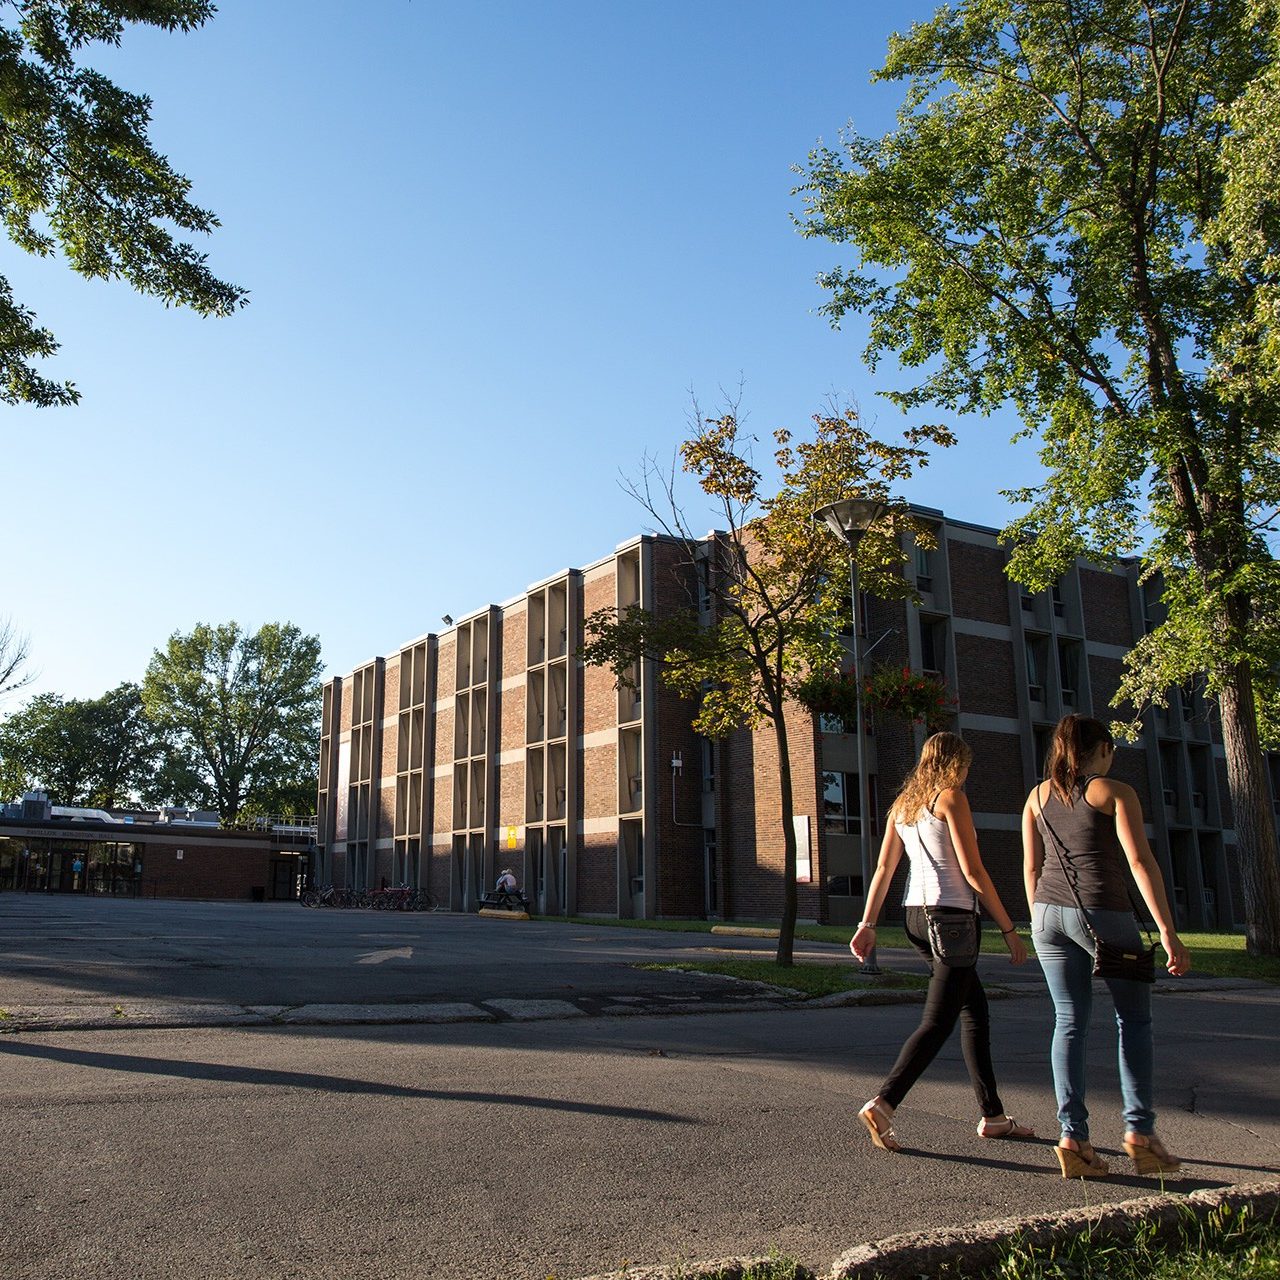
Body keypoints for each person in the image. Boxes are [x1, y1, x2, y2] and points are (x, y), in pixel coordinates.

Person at [1022, 714, 1190, 1179]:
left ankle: (1073, 1139)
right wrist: (1168, 931)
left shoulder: (1035, 798)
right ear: (1099, 750)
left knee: (1068, 1022)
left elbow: (1031, 870)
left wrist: (1038, 917)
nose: (1110, 758)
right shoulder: (1113, 792)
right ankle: (1140, 1135)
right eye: (1109, 751)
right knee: (1134, 1019)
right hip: (1103, 913)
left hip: (1046, 917)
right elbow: (1139, 860)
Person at [851, 731, 1032, 1153]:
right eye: (966, 765)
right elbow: (973, 872)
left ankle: (993, 1117)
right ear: (955, 764)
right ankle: (884, 1103)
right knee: (939, 1021)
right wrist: (1009, 929)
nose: (967, 773)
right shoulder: (950, 798)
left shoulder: (903, 806)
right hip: (951, 918)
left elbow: (883, 869)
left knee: (974, 1012)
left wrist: (868, 922)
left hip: (915, 916)